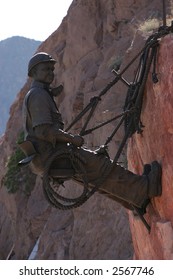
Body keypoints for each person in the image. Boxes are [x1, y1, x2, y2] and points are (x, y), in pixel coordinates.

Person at [21, 52, 162, 211]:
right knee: (100, 166)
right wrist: (72, 139)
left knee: (93, 178)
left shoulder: (37, 94)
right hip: (52, 155)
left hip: (45, 158)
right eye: (46, 69)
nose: (50, 73)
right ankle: (146, 188)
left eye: (52, 69)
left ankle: (136, 202)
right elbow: (44, 131)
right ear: (33, 73)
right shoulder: (38, 95)